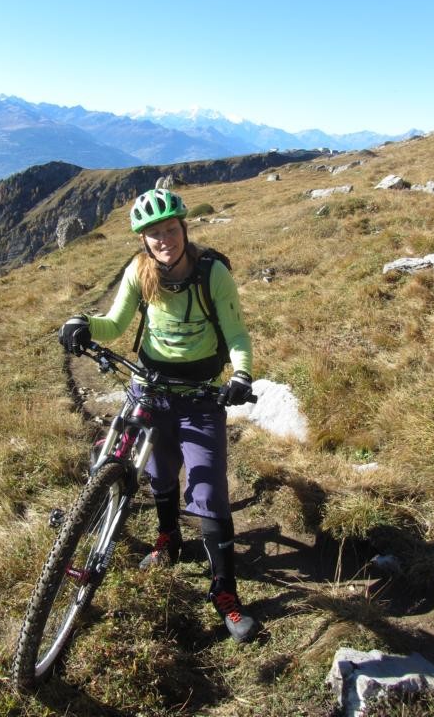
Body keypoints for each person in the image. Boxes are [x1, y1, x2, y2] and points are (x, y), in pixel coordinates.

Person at [59, 187, 258, 642]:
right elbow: (114, 323)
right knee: (158, 471)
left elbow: (236, 333)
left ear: (184, 228)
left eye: (171, 229)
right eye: (154, 233)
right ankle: (169, 537)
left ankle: (224, 592)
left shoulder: (212, 273)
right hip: (150, 388)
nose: (164, 239)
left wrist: (242, 375)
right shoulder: (139, 271)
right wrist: (83, 323)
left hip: (202, 396)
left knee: (209, 489)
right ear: (143, 239)